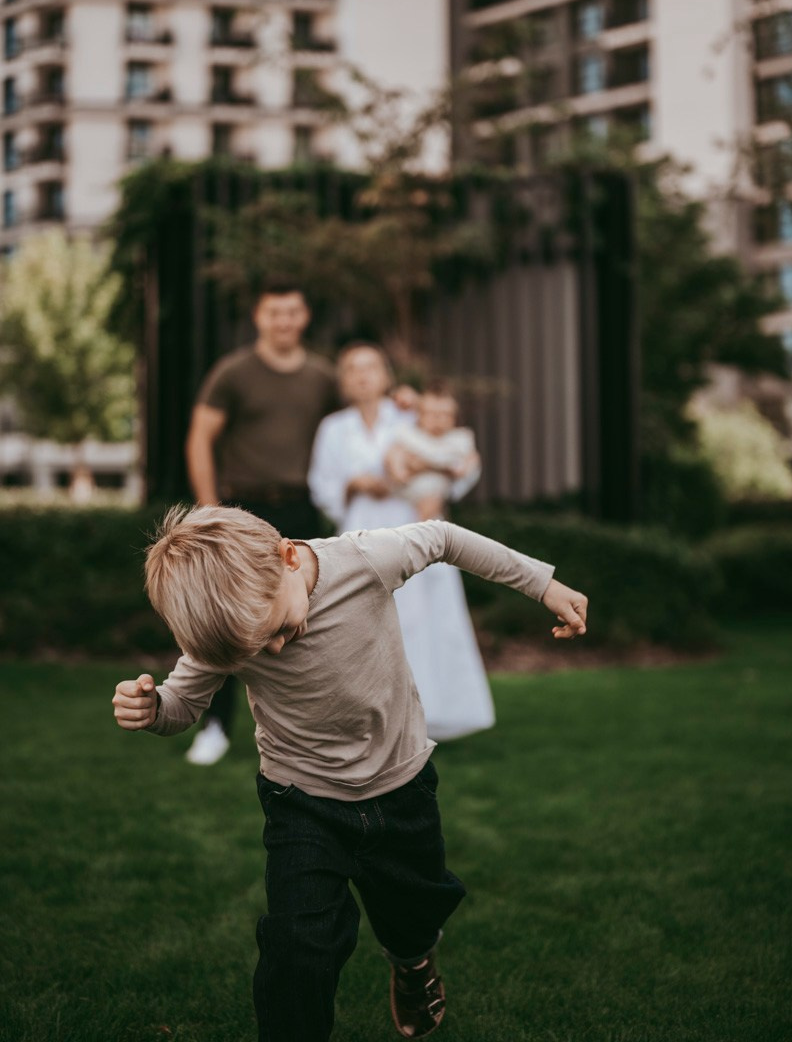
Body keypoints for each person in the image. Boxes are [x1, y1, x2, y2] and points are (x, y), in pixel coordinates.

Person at [112, 503, 588, 1042]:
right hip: (301, 799)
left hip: (399, 784)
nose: (270, 650)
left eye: (276, 630)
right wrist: (154, 711)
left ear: (288, 557)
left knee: (412, 916)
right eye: (255, 648)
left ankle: (412, 965)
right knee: (298, 944)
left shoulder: (364, 561)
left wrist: (542, 585)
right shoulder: (230, 629)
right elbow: (184, 705)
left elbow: (445, 537)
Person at [183, 281, 338, 764]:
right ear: (259, 317)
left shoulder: (322, 376)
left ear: (304, 316)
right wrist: (211, 511)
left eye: (293, 312)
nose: (284, 321)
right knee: (227, 618)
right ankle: (214, 728)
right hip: (242, 511)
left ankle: (312, 733)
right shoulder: (233, 373)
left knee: (312, 619)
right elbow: (199, 439)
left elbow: (355, 426)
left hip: (301, 509)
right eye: (275, 313)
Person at [308, 343, 494, 740]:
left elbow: (459, 458)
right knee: (367, 620)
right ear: (343, 380)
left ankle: (432, 713)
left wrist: (434, 487)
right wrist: (355, 483)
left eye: (371, 367)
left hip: (413, 523)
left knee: (424, 618)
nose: (362, 376)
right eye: (353, 369)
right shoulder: (334, 428)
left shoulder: (413, 415)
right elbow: (321, 484)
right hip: (361, 528)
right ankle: (369, 717)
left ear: (387, 375)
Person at [385, 380, 480, 522]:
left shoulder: (459, 438)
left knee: (432, 516)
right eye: (431, 414)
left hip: (437, 492)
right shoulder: (410, 435)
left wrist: (462, 468)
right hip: (410, 491)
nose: (438, 420)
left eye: (445, 414)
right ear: (419, 415)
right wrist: (398, 469)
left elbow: (469, 463)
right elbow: (394, 454)